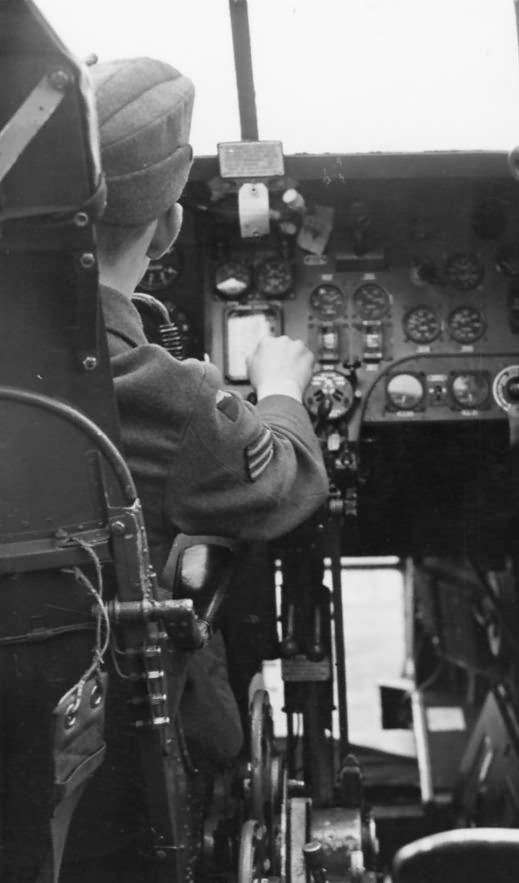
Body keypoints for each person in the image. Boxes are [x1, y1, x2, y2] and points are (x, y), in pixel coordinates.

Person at [89, 57, 329, 762]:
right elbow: (283, 485)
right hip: (122, 736)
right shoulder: (165, 394)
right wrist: (280, 390)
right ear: (168, 229)